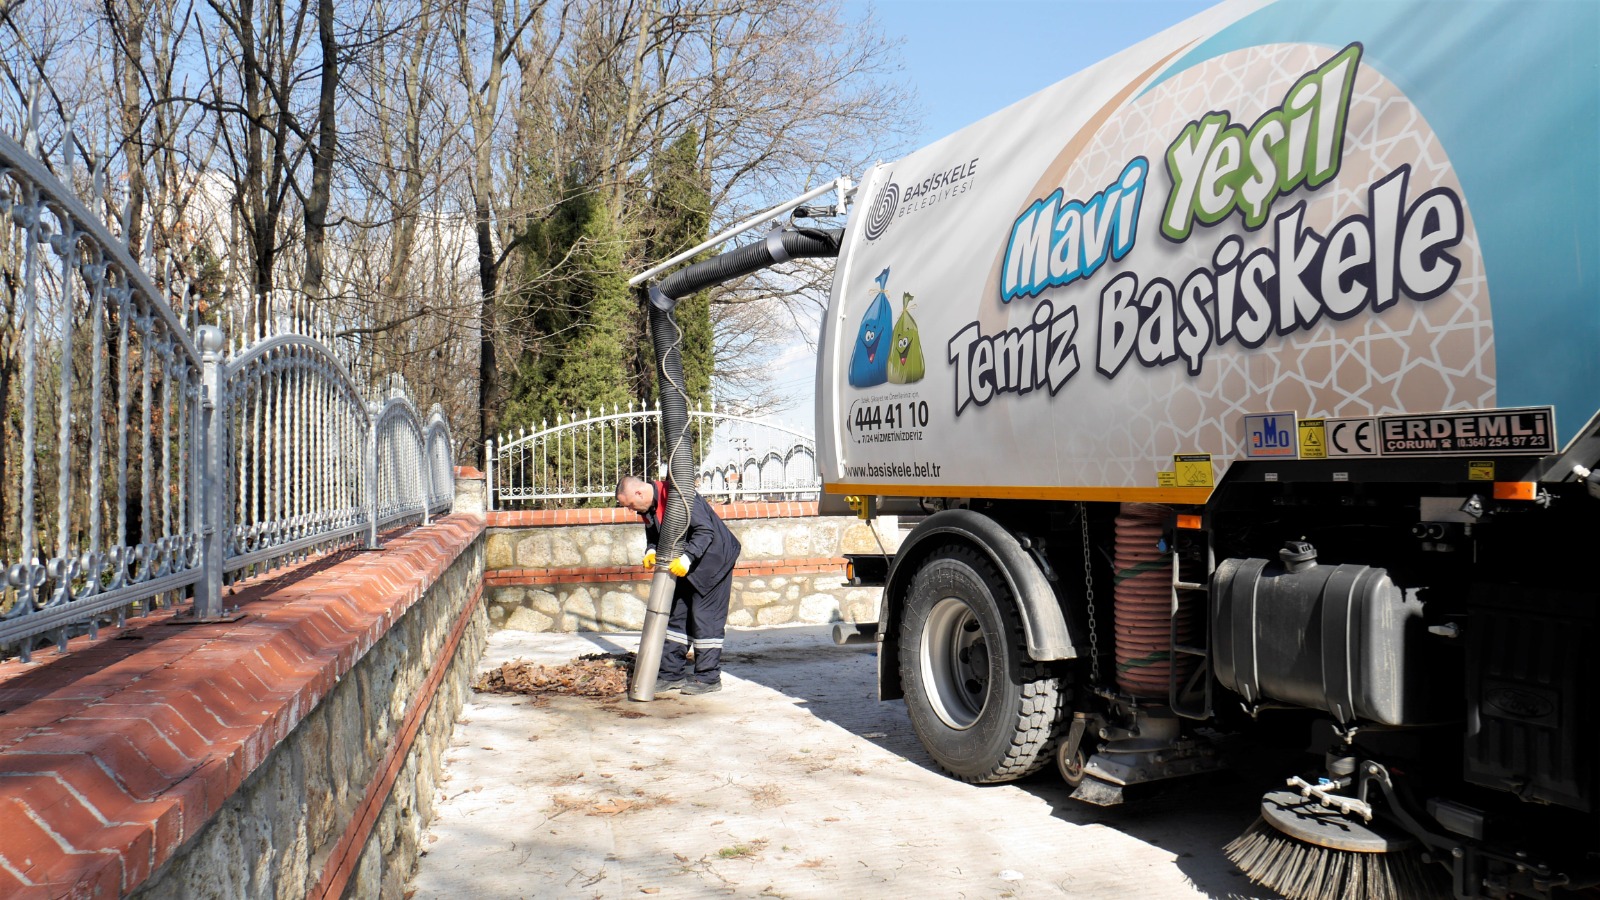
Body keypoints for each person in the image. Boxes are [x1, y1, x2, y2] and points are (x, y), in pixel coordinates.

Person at [615, 474, 742, 694]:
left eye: (631, 505)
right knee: (677, 617)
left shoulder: (679, 495)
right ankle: (671, 675)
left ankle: (708, 678)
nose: (631, 510)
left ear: (639, 493)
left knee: (705, 618)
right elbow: (654, 534)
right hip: (685, 565)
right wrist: (651, 550)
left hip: (714, 561)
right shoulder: (648, 507)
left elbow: (705, 531)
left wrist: (687, 558)